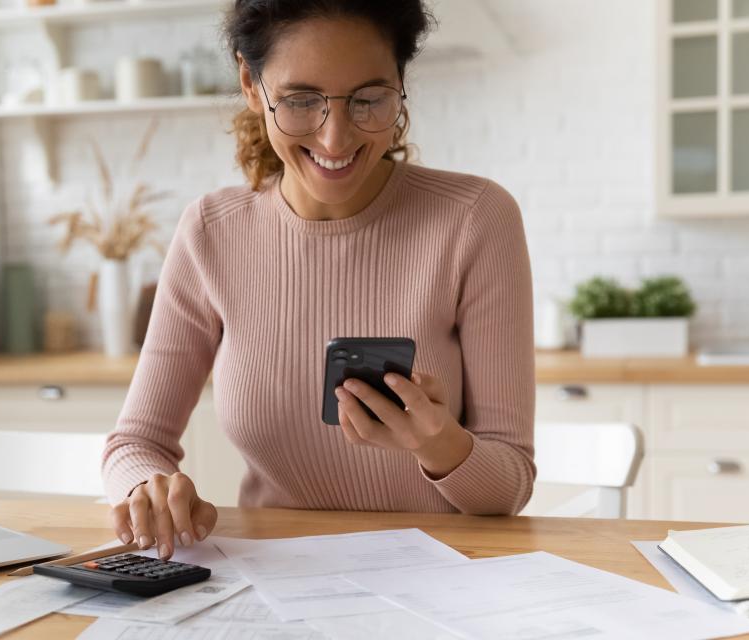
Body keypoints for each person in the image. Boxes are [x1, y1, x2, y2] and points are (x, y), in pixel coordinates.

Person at [102, 0, 536, 560]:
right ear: (251, 84)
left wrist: (439, 444)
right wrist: (148, 488)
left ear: (400, 84)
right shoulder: (211, 231)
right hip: (275, 577)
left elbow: (510, 486)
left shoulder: (475, 218)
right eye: (302, 99)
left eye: (368, 99)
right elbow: (135, 444)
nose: (334, 139)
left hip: (442, 575)